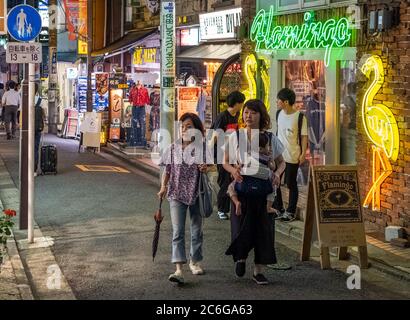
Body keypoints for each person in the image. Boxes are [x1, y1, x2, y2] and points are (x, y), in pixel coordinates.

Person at [223, 99, 286, 285]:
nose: (248, 116)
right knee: (240, 227)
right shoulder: (236, 135)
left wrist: (277, 174)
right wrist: (233, 170)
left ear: (261, 115)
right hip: (241, 191)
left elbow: (281, 162)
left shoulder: (270, 138)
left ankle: (258, 270)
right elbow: (225, 161)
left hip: (263, 191)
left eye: (253, 112)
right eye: (246, 112)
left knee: (263, 231)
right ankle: (241, 259)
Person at [158, 113, 213, 285]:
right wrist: (163, 187)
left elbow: (212, 166)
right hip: (176, 194)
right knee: (178, 232)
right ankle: (179, 269)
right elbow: (167, 171)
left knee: (197, 230)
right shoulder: (173, 148)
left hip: (196, 193)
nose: (184, 129)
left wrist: (206, 167)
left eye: (188, 126)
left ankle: (194, 261)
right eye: (182, 126)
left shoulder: (203, 147)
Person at [274, 88, 308, 222]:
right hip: (279, 156)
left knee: (290, 184)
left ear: (286, 102)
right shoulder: (278, 114)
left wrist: (303, 154)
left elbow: (304, 137)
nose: (277, 102)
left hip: (293, 155)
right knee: (275, 182)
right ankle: (279, 208)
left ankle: (291, 211)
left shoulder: (300, 117)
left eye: (279, 100)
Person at [210, 91, 245, 220]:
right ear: (236, 103)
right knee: (225, 181)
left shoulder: (236, 116)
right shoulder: (222, 117)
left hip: (231, 153)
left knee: (230, 180)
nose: (242, 106)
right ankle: (222, 209)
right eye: (241, 103)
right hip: (220, 153)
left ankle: (228, 207)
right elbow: (214, 136)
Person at [227, 131, 278, 217]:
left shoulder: (249, 154)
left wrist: (237, 168)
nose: (269, 148)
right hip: (263, 180)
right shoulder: (267, 157)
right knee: (273, 189)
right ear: (261, 149)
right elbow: (272, 167)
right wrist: (271, 159)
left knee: (231, 187)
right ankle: (268, 207)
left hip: (247, 179)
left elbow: (242, 164)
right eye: (267, 146)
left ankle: (236, 202)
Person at [129, 80, 150, 148]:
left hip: (141, 107)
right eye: (137, 82)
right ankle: (134, 139)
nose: (138, 83)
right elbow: (130, 99)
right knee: (134, 123)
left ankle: (142, 139)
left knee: (142, 124)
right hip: (134, 107)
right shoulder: (132, 90)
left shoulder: (145, 90)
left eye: (139, 82)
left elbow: (147, 100)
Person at [34, 85, 45, 175]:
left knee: (26, 147)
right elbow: (44, 114)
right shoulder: (40, 100)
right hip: (38, 127)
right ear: (37, 90)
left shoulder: (25, 99)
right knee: (36, 148)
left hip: (27, 128)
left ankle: (26, 168)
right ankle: (34, 169)